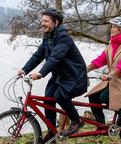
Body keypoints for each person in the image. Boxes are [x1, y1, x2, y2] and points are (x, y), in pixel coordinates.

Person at [17, 8, 88, 142]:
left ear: (56, 22)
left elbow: (55, 57)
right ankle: (52, 131)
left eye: (46, 21)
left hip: (75, 77)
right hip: (60, 77)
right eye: (42, 20)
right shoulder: (48, 36)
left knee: (60, 96)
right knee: (48, 98)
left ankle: (76, 120)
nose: (42, 23)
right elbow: (38, 55)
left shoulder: (64, 38)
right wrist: (24, 69)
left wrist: (41, 73)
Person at [87, 17, 121, 127]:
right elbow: (101, 59)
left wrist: (110, 75)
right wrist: (86, 69)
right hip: (113, 79)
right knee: (93, 96)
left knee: (104, 96)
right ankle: (100, 125)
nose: (111, 29)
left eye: (114, 27)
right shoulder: (111, 44)